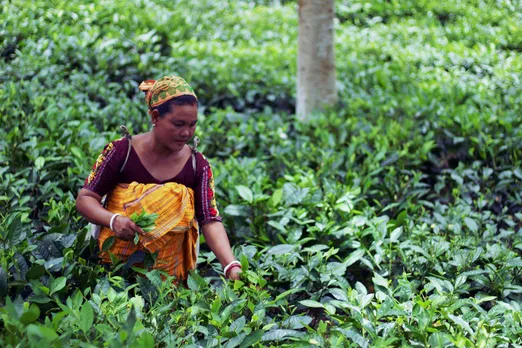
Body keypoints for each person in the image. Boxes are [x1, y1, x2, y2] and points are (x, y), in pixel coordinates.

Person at [76, 75, 242, 281]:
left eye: (192, 125)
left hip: (171, 278)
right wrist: (113, 220)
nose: (186, 133)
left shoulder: (197, 164)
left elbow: (209, 219)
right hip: (113, 271)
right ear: (155, 117)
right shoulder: (120, 152)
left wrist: (231, 266)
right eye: (178, 124)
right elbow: (85, 199)